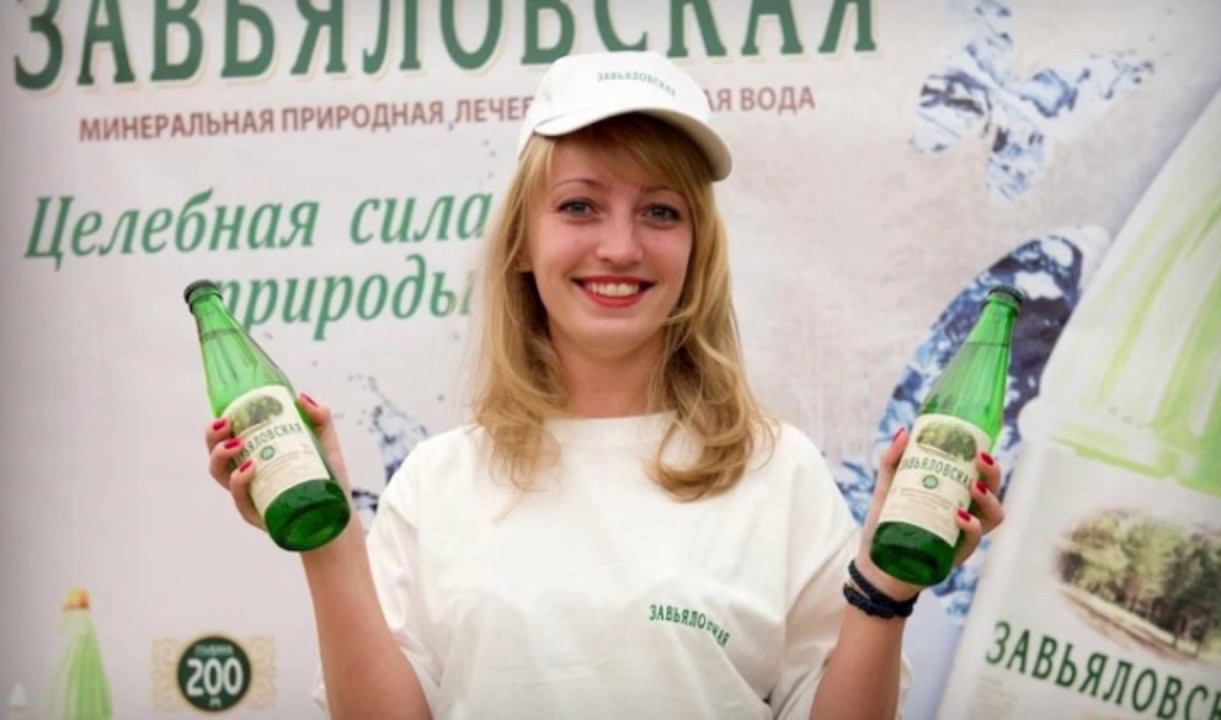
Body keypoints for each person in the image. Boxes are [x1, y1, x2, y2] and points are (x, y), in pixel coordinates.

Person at [202, 51, 1006, 720]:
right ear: (523, 242)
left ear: (697, 249)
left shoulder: (780, 474)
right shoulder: (436, 483)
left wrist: (886, 589)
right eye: (580, 206)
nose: (620, 247)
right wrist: (330, 544)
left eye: (660, 212)